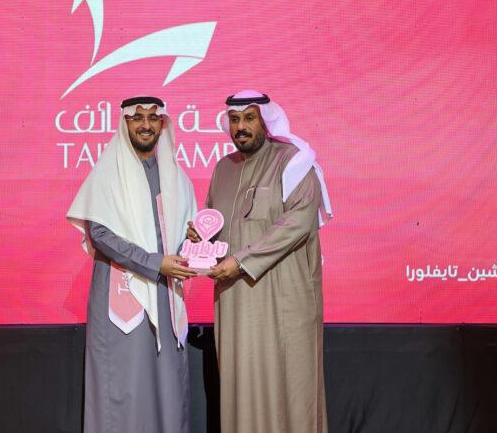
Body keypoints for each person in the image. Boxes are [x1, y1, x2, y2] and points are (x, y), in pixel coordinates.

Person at [189, 90, 333, 433]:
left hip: (285, 299)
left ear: (266, 121)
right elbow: (218, 224)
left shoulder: (293, 161)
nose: (241, 127)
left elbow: (298, 222)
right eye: (235, 119)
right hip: (236, 300)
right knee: (242, 381)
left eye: (249, 118)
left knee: (290, 384)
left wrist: (241, 261)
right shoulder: (223, 168)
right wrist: (200, 238)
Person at [67, 96, 197, 433]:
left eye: (153, 118)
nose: (145, 125)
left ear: (163, 124)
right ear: (125, 123)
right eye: (137, 118)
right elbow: (100, 234)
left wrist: (193, 241)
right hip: (122, 293)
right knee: (127, 384)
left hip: (165, 294)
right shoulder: (108, 173)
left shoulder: (176, 177)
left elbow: (185, 233)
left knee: (167, 386)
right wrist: (154, 263)